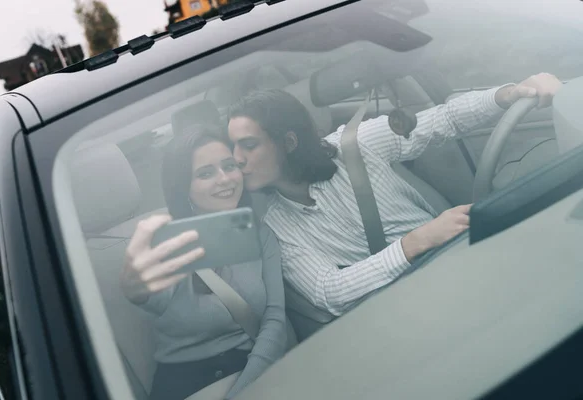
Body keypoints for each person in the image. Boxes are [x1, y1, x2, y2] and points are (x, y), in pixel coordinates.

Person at [226, 73, 564, 318]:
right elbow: (328, 291)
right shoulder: (275, 227)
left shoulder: (354, 145)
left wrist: (512, 92)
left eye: (249, 145)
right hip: (408, 314)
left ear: (288, 143)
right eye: (233, 147)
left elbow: (444, 120)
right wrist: (413, 243)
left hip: (466, 264)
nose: (237, 159)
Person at [120, 125, 287, 400]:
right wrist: (137, 292)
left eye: (229, 166)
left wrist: (247, 386)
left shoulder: (260, 232)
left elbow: (275, 316)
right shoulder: (164, 243)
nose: (224, 179)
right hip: (187, 383)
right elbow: (150, 296)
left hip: (256, 367)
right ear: (184, 188)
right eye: (205, 173)